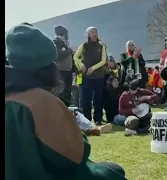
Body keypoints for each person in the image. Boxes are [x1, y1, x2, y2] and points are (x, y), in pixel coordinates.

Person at [5, 24, 126, 180]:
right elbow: (73, 157)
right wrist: (75, 130)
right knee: (114, 172)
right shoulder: (42, 101)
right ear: (48, 65)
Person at [73, 27, 107, 125]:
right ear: (88, 34)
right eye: (92, 32)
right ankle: (86, 120)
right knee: (85, 99)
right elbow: (75, 56)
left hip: (99, 76)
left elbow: (103, 61)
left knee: (98, 98)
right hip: (86, 77)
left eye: (96, 31)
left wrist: (93, 68)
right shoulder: (84, 45)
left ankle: (98, 119)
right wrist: (81, 64)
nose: (94, 33)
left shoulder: (101, 46)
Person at [53, 25, 74, 106]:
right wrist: (70, 50)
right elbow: (58, 55)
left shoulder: (66, 43)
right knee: (61, 93)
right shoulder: (56, 42)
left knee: (67, 93)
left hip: (68, 71)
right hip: (61, 71)